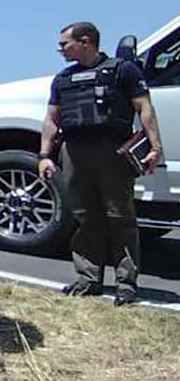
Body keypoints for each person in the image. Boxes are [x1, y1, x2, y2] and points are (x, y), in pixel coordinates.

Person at [38, 22, 163, 306]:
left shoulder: (122, 71)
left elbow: (144, 108)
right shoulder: (62, 79)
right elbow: (52, 119)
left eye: (65, 44)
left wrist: (155, 147)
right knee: (85, 217)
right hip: (74, 151)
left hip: (112, 151)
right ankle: (88, 279)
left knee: (120, 218)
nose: (60, 49)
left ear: (86, 41)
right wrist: (45, 155)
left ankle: (126, 283)